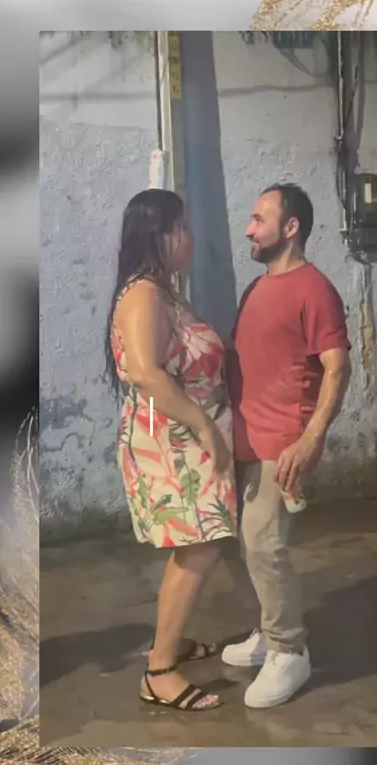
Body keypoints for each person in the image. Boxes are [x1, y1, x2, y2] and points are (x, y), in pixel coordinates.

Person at [105, 189, 237, 712]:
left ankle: (171, 640)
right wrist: (205, 426)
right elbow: (145, 373)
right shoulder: (144, 294)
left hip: (179, 435)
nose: (191, 237)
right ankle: (158, 671)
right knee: (201, 545)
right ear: (158, 235)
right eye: (182, 227)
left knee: (195, 544)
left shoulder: (162, 291)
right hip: (171, 441)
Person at [222, 183, 352, 708]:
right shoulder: (256, 288)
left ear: (290, 227)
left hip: (283, 441)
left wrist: (311, 437)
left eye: (259, 219)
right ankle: (268, 630)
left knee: (264, 545)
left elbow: (337, 368)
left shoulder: (314, 290)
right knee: (242, 545)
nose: (248, 230)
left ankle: (289, 651)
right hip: (245, 437)